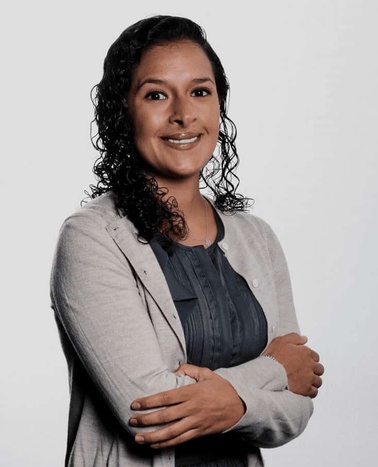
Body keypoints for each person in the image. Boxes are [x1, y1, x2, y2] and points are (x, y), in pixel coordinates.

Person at [50, 14, 324, 467]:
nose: (183, 114)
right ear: (122, 111)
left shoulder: (257, 239)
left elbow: (297, 409)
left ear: (219, 105)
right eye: (156, 94)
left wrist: (239, 394)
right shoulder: (91, 238)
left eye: (200, 91)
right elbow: (149, 411)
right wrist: (274, 371)